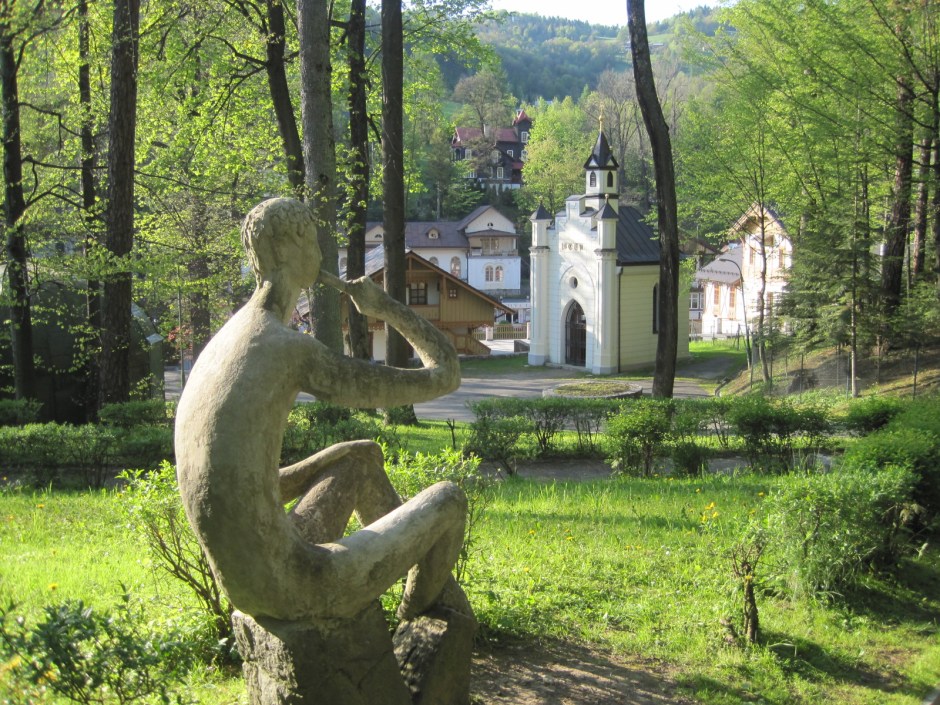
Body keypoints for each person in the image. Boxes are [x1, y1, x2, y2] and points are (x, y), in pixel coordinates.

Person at [174, 197, 467, 623]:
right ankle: (416, 629)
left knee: (359, 457)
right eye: (311, 239)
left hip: (247, 581)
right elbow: (444, 375)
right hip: (294, 582)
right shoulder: (288, 350)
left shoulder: (227, 341)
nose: (320, 252)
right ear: (287, 250)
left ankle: (412, 582)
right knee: (448, 501)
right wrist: (385, 308)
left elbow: (238, 485)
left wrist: (324, 462)